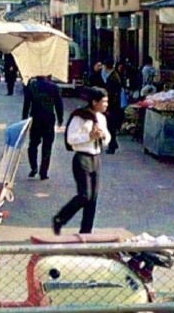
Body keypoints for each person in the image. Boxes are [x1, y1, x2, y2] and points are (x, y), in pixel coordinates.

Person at [53, 87, 111, 235]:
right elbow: (70, 139)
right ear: (94, 102)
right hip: (82, 158)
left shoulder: (102, 118)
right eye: (103, 102)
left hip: (96, 158)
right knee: (84, 195)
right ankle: (60, 218)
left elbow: (107, 139)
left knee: (93, 198)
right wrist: (89, 137)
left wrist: (103, 136)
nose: (106, 105)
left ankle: (86, 232)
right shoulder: (79, 117)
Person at [22, 74, 64, 180]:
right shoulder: (54, 87)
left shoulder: (31, 86)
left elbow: (26, 104)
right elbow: (59, 104)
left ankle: (34, 167)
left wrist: (24, 120)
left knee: (33, 145)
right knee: (47, 146)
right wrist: (60, 119)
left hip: (35, 118)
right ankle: (43, 172)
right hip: (49, 119)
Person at [102, 59, 122, 154]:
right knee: (110, 126)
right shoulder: (113, 76)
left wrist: (108, 106)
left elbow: (112, 95)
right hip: (113, 105)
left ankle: (112, 145)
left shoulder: (113, 78)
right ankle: (113, 143)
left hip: (112, 106)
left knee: (110, 126)